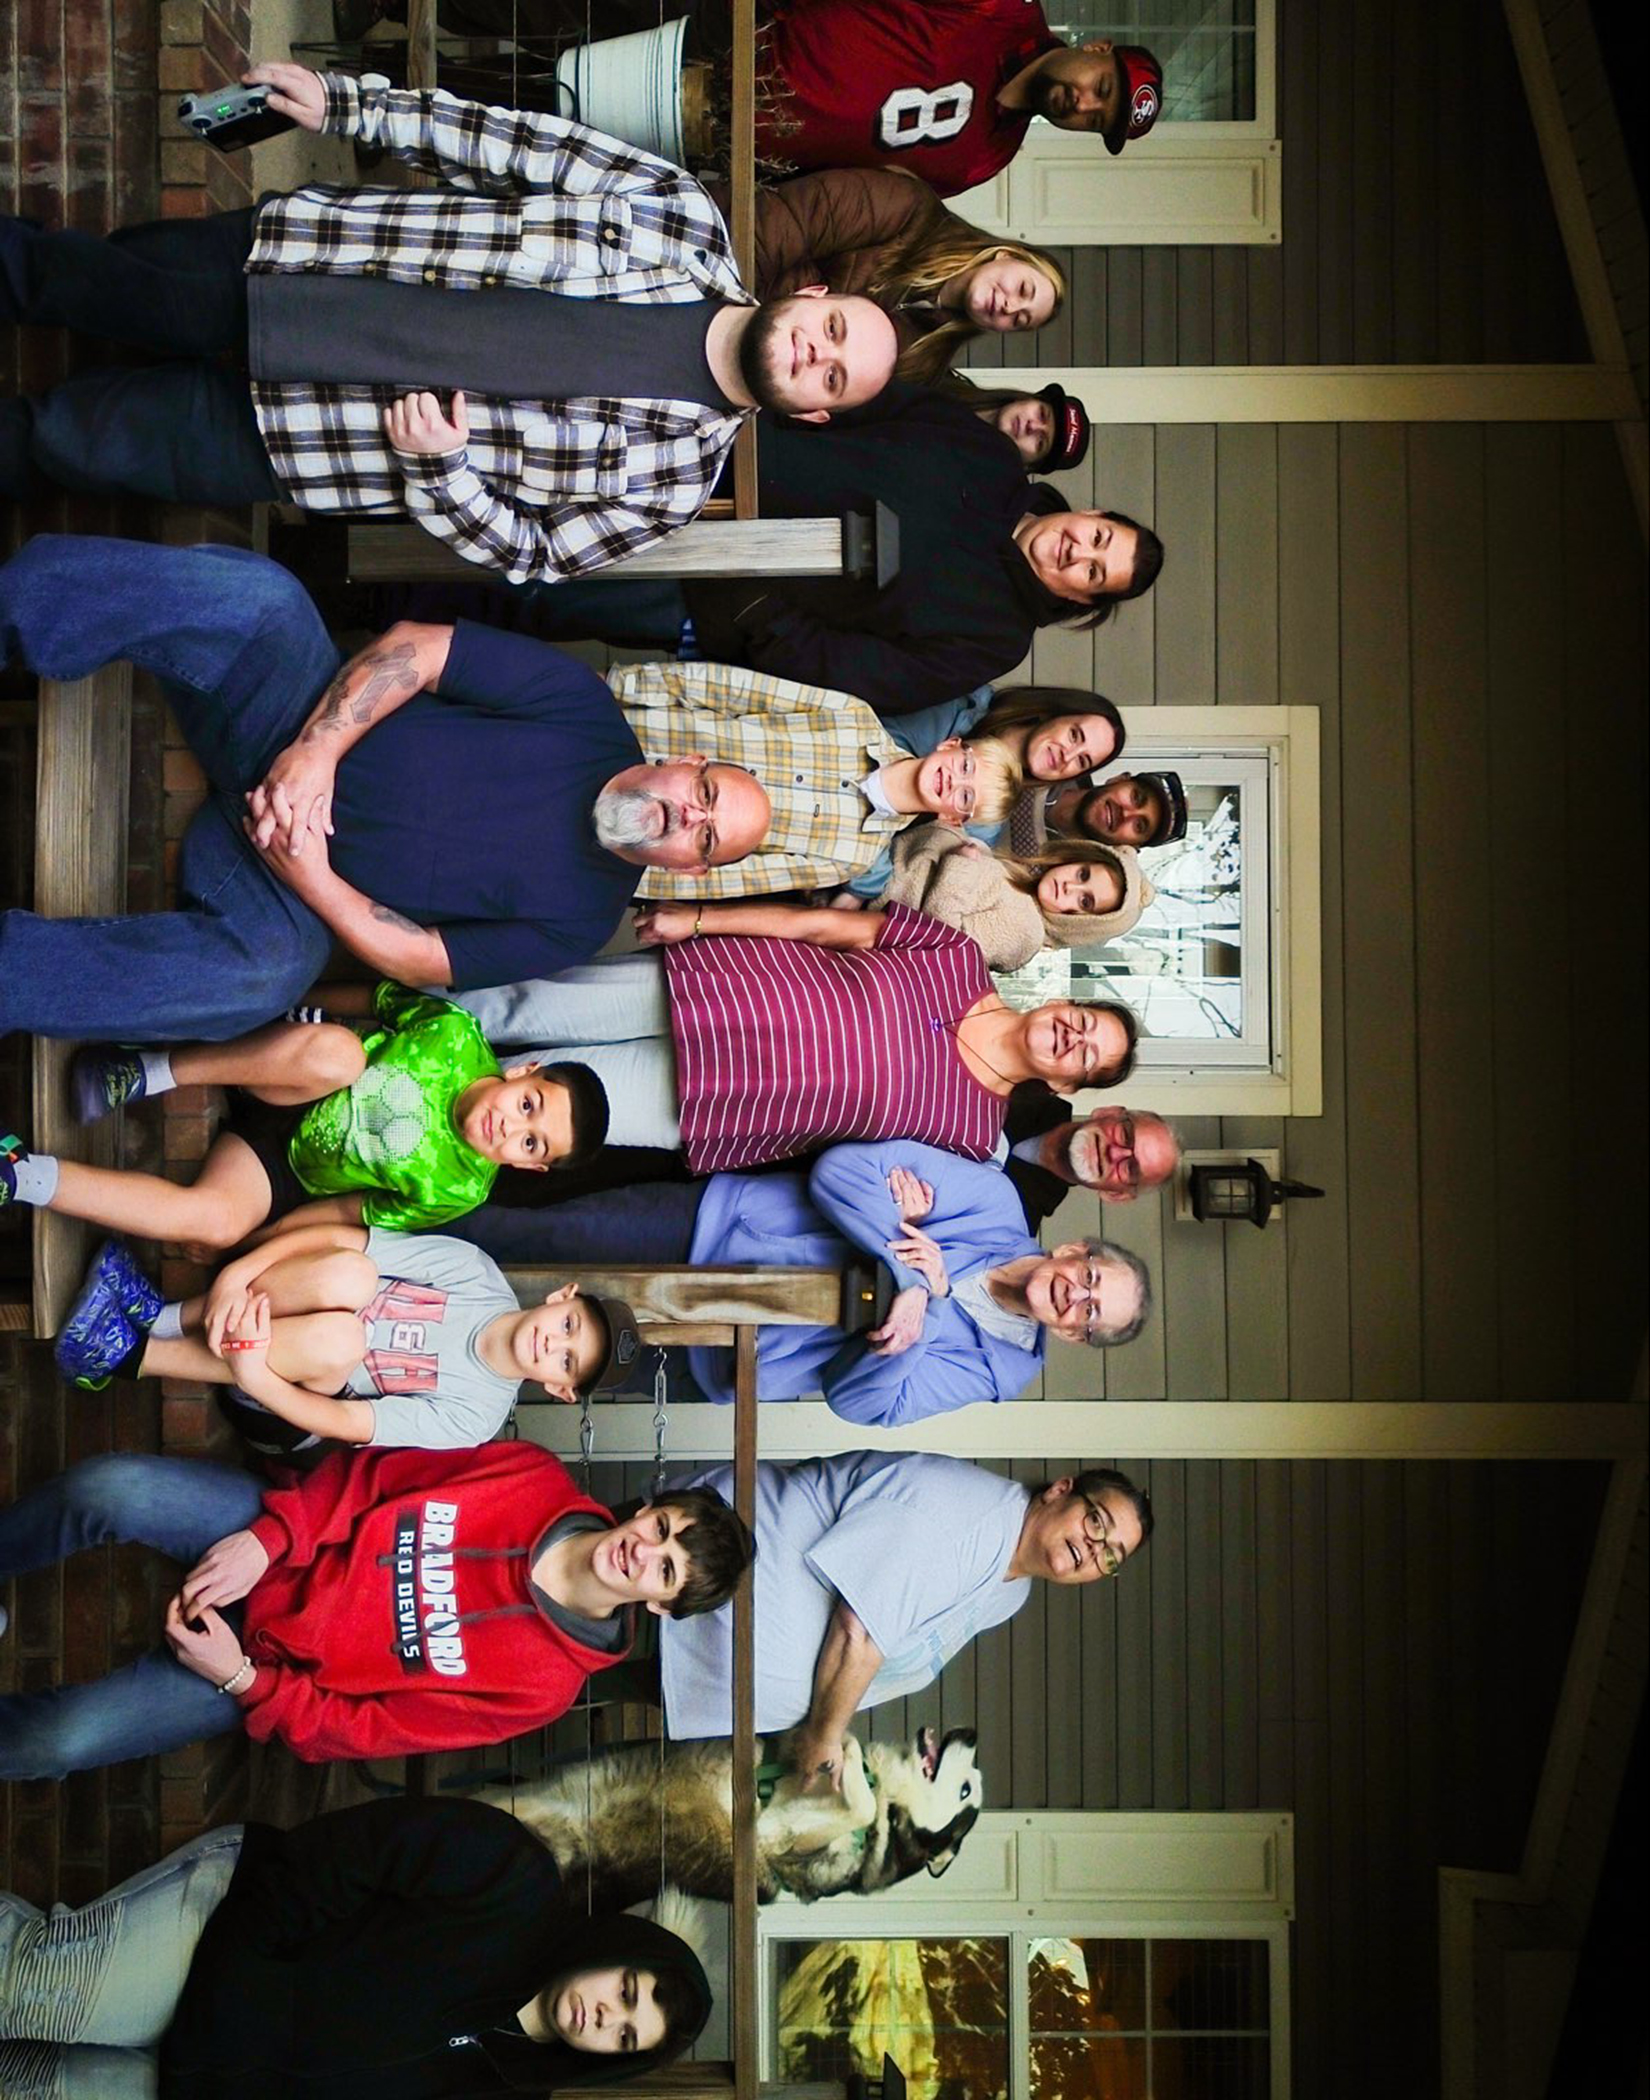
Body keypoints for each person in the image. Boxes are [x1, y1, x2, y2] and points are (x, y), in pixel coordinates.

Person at [0, 65, 899, 580]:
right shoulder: (680, 217)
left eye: (832, 375)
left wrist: (444, 473)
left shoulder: (673, 487)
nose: (814, 352)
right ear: (812, 295)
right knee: (58, 279)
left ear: (814, 412)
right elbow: (511, 144)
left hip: (293, 442)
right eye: (833, 329)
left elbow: (533, 554)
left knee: (55, 442)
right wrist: (351, 105)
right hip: (295, 265)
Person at [0, 539, 773, 1044]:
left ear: (689, 869)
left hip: (284, 880)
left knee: (265, 976)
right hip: (289, 717)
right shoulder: (583, 708)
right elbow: (419, 649)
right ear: (687, 759)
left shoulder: (583, 922)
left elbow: (422, 959)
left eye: (705, 835)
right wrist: (315, 752)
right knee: (266, 602)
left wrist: (308, 872)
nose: (688, 814)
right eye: (705, 791)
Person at [0, 1442, 754, 1777]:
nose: (643, 1552)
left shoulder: (543, 1690)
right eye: (661, 1530)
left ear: (661, 1607)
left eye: (665, 1570)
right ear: (648, 1509)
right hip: (285, 1540)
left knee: (58, 1742)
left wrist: (241, 1680)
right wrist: (268, 1540)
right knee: (111, 1488)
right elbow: (373, 1477)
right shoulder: (532, 1477)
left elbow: (365, 1731)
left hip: (263, 1672)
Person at [408, 385, 1165, 717]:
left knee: (517, 589)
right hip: (708, 460)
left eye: (1093, 574)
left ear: (1081, 599)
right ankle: (385, 476)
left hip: (704, 591)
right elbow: (883, 403)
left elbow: (857, 674)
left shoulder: (996, 639)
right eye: (1098, 538)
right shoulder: (991, 459)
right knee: (530, 464)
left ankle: (357, 591)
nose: (1078, 553)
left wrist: (754, 606)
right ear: (1092, 512)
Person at [0, 1794, 712, 2098]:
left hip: (202, 2086)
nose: (606, 2016)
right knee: (30, 1995)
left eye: (625, 2037)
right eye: (626, 1992)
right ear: (617, 1949)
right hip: (223, 1931)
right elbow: (341, 1857)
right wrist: (239, 1974)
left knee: (23, 2087)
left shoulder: (507, 2091)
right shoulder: (512, 1879)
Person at [444, 1141, 1153, 1424]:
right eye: (1090, 1277)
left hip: (718, 1356)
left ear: (1073, 1335)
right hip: (712, 1229)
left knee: (531, 1362)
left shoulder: (1000, 1371)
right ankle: (382, 1235)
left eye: (1090, 1314)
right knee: (522, 1240)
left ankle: (401, 1361)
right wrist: (910, 1277)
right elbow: (844, 1172)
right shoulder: (995, 1202)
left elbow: (861, 1401)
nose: (1076, 1296)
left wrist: (930, 1302)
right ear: (1074, 1249)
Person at [451, 898, 1141, 1171]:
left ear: (1064, 1084)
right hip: (709, 987)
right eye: (1084, 1024)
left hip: (708, 1103)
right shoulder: (956, 956)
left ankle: (394, 1110)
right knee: (512, 1008)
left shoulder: (968, 1135)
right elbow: (820, 927)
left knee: (511, 1115)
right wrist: (699, 921)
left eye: (1085, 1057)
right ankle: (386, 1006)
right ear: (1061, 1001)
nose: (1071, 1039)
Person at [2, 987, 611, 1255]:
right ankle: (142, 1072)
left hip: (284, 1166)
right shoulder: (455, 1035)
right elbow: (371, 999)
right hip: (287, 1071)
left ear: (530, 1167)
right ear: (523, 1072)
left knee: (216, 1221)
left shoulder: (460, 1189)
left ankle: (21, 1173)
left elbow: (346, 1213)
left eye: (532, 1144)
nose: (512, 1129)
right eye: (528, 1106)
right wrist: (290, 1001)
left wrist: (251, 1239)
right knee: (343, 1056)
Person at [648, 1451, 1152, 1750]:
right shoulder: (969, 1513)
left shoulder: (1011, 1592)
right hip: (686, 1582)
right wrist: (822, 1742)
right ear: (1060, 1490)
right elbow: (858, 1631)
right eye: (1096, 1522)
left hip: (701, 1675)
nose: (1095, 1549)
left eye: (1111, 1556)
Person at [52, 1229, 640, 1463]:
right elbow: (340, 1239)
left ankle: (126, 1355)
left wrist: (257, 1378)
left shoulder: (477, 1416)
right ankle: (160, 1316)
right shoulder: (476, 1274)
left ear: (560, 1389)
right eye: (569, 1325)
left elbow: (345, 1422)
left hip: (282, 1400)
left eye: (567, 1361)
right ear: (562, 1296)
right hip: (261, 1312)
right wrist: (237, 1274)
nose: (553, 1342)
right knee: (354, 1275)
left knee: (345, 1338)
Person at [597, 657, 1023, 901]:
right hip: (623, 730)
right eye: (966, 767)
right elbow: (731, 689)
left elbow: (733, 877)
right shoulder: (854, 717)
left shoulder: (855, 857)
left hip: (630, 832)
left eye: (965, 798)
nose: (954, 781)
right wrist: (614, 687)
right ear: (950, 745)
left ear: (953, 819)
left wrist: (625, 874)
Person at [710, 167, 1065, 383]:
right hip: (710, 253)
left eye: (1019, 320)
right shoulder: (911, 209)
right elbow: (787, 221)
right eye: (1023, 289)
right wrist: (725, 305)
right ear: (1006, 254)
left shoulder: (925, 361)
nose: (1009, 306)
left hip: (733, 360)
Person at [870, 824, 1154, 969]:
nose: (1070, 887)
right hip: (878, 859)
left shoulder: (1026, 934)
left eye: (1085, 901)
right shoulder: (1020, 882)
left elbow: (939, 946)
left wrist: (961, 863)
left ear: (1081, 925)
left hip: (869, 896)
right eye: (1083, 874)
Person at [1000, 1088, 1182, 1233]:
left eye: (1130, 1168)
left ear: (1115, 1194)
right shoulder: (1023, 1086)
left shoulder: (1014, 1224)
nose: (1114, 1153)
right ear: (1107, 1112)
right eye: (1125, 1136)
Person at [1007, 766, 1190, 857]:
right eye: (1135, 797)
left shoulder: (1062, 878)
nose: (1126, 813)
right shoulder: (1053, 765)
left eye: (1139, 825)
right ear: (1119, 779)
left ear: (1131, 847)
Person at [939, 373, 1093, 471]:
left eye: (1041, 442)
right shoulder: (940, 377)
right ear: (1029, 398)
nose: (1032, 426)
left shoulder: (967, 498)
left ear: (1028, 465)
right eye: (1042, 414)